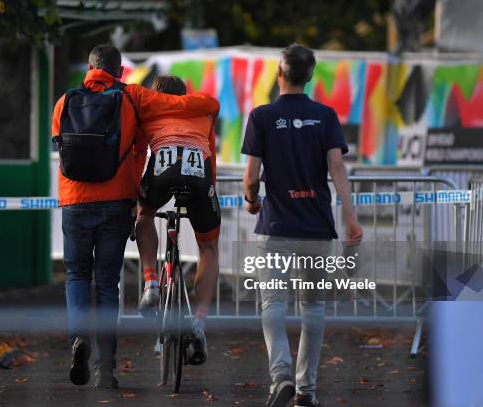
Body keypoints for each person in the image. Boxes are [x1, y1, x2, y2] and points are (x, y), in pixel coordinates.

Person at [52, 45, 219, 389]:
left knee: (77, 275)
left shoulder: (64, 101)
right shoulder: (130, 97)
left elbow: (61, 146)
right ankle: (106, 371)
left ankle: (82, 334)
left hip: (74, 202)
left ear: (89, 67)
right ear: (120, 71)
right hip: (117, 201)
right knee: (109, 285)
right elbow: (177, 109)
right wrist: (210, 104)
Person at [241, 44, 363, 407]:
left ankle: (280, 377)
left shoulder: (261, 116)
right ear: (309, 76)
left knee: (273, 305)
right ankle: (306, 391)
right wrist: (350, 216)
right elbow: (337, 168)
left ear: (280, 74)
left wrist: (252, 201)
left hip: (275, 227)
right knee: (312, 310)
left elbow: (251, 177)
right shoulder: (325, 116)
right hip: (316, 228)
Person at [135, 75, 221, 365]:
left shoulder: (150, 109)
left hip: (163, 168)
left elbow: (138, 152)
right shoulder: (203, 110)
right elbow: (212, 159)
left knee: (144, 215)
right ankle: (198, 324)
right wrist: (212, 192)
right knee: (208, 247)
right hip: (199, 174)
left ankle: (150, 285)